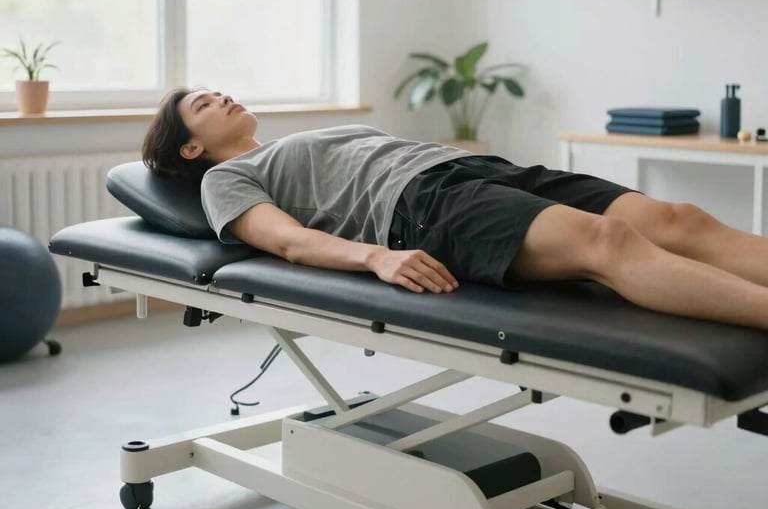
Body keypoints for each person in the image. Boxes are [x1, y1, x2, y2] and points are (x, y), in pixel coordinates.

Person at [143, 87, 768, 330]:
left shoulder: (285, 145)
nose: (221, 95)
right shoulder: (226, 178)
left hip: (469, 170)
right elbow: (287, 242)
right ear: (191, 144)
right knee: (608, 243)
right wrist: (376, 258)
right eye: (202, 102)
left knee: (679, 219)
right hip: (419, 208)